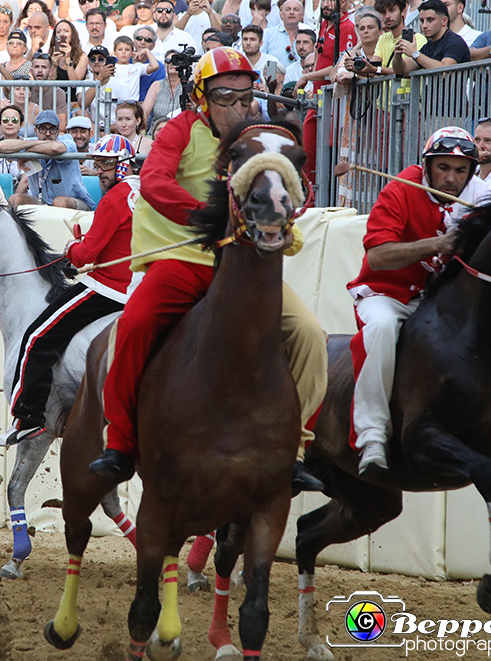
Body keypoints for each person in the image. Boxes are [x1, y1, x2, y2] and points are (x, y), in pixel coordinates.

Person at [88, 48, 327, 495]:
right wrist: (204, 214)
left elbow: (296, 187)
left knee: (311, 335)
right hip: (185, 260)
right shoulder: (180, 129)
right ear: (202, 98)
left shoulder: (262, 137)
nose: (239, 105)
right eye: (226, 96)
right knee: (134, 324)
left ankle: (295, 450)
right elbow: (155, 181)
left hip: (245, 268)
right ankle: (119, 443)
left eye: (246, 95)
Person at [345, 126, 491, 474]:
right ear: (426, 166)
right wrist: (437, 245)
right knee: (379, 328)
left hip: (442, 302)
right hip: (388, 294)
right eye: (443, 167)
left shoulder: (483, 197)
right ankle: (371, 437)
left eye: (460, 170)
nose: (451, 179)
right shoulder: (400, 188)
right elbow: (378, 257)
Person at [0, 134, 137, 446]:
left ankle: (29, 418)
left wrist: (74, 246)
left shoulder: (114, 199)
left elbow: (86, 255)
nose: (100, 171)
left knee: (36, 337)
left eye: (107, 165)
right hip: (136, 290)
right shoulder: (143, 193)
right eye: (98, 164)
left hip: (107, 289)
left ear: (122, 166)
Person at [0, 109, 96, 210]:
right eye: (43, 129)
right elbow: (0, 146)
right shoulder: (29, 143)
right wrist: (33, 147)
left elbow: (55, 148)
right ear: (35, 130)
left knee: (59, 202)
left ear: (58, 131)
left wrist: (29, 151)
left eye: (52, 129)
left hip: (74, 202)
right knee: (15, 200)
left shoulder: (67, 140)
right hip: (40, 200)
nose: (48, 133)